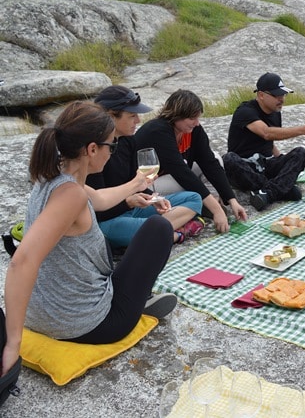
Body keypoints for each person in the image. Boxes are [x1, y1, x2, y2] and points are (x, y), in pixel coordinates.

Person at [2, 101, 177, 379]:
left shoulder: (52, 176)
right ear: (92, 149)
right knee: (158, 229)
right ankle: (137, 301)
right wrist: (13, 344)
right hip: (88, 325)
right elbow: (21, 262)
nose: (113, 151)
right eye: (112, 145)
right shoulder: (71, 194)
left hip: (43, 315)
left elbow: (100, 199)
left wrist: (137, 184)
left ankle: (134, 297)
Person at [86, 86, 204, 248]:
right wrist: (128, 202)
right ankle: (174, 234)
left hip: (131, 209)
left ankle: (156, 230)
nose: (138, 121)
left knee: (194, 198)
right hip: (108, 220)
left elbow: (136, 184)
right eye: (132, 116)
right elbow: (96, 211)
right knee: (145, 227)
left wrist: (152, 199)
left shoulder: (127, 140)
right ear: (111, 116)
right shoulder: (95, 151)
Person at [134, 89, 247, 234]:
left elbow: (209, 162)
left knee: (216, 158)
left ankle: (208, 202)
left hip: (172, 175)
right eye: (192, 118)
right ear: (177, 115)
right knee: (190, 185)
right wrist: (217, 210)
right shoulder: (158, 131)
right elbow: (182, 174)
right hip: (149, 182)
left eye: (198, 117)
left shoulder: (193, 130)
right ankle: (203, 204)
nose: (197, 123)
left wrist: (232, 200)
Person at [223, 73, 305, 211]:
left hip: (266, 165)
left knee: (300, 153)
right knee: (228, 159)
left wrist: (283, 162)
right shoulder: (245, 111)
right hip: (246, 167)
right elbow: (266, 133)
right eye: (277, 95)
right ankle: (280, 189)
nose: (282, 99)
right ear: (261, 95)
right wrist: (303, 130)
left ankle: (268, 194)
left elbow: (270, 144)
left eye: (283, 95)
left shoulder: (275, 112)